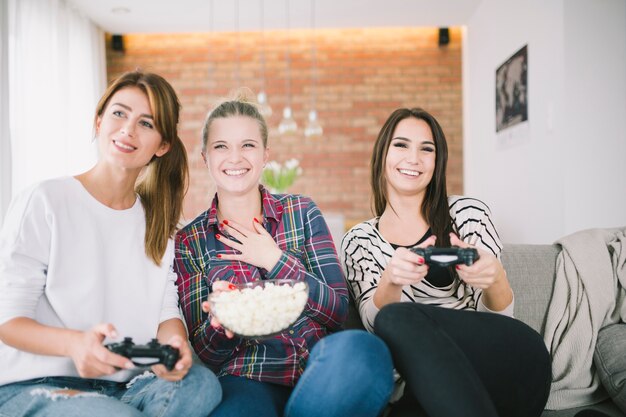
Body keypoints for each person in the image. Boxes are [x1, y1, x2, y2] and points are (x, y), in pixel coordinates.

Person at [0, 71, 221, 417]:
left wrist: (174, 348)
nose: (128, 130)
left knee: (200, 385)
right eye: (119, 113)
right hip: (36, 386)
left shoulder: (158, 225)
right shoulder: (45, 200)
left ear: (162, 145)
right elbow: (7, 320)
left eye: (146, 123)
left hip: (128, 385)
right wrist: (75, 344)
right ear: (99, 120)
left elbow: (166, 313)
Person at [174, 93, 394, 417]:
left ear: (265, 155)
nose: (235, 157)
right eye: (222, 146)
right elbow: (205, 354)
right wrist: (221, 322)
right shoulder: (190, 241)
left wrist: (275, 260)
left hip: (320, 367)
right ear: (205, 156)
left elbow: (337, 310)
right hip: (246, 376)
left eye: (248, 145)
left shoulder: (301, 212)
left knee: (365, 351)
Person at [341, 107, 552, 417]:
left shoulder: (468, 214)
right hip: (426, 391)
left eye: (427, 149)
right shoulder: (359, 240)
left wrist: (495, 278)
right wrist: (391, 281)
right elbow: (376, 329)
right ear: (382, 154)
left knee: (397, 317)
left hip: (506, 367)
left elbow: (500, 322)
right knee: (393, 321)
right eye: (401, 145)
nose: (414, 158)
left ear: (437, 162)